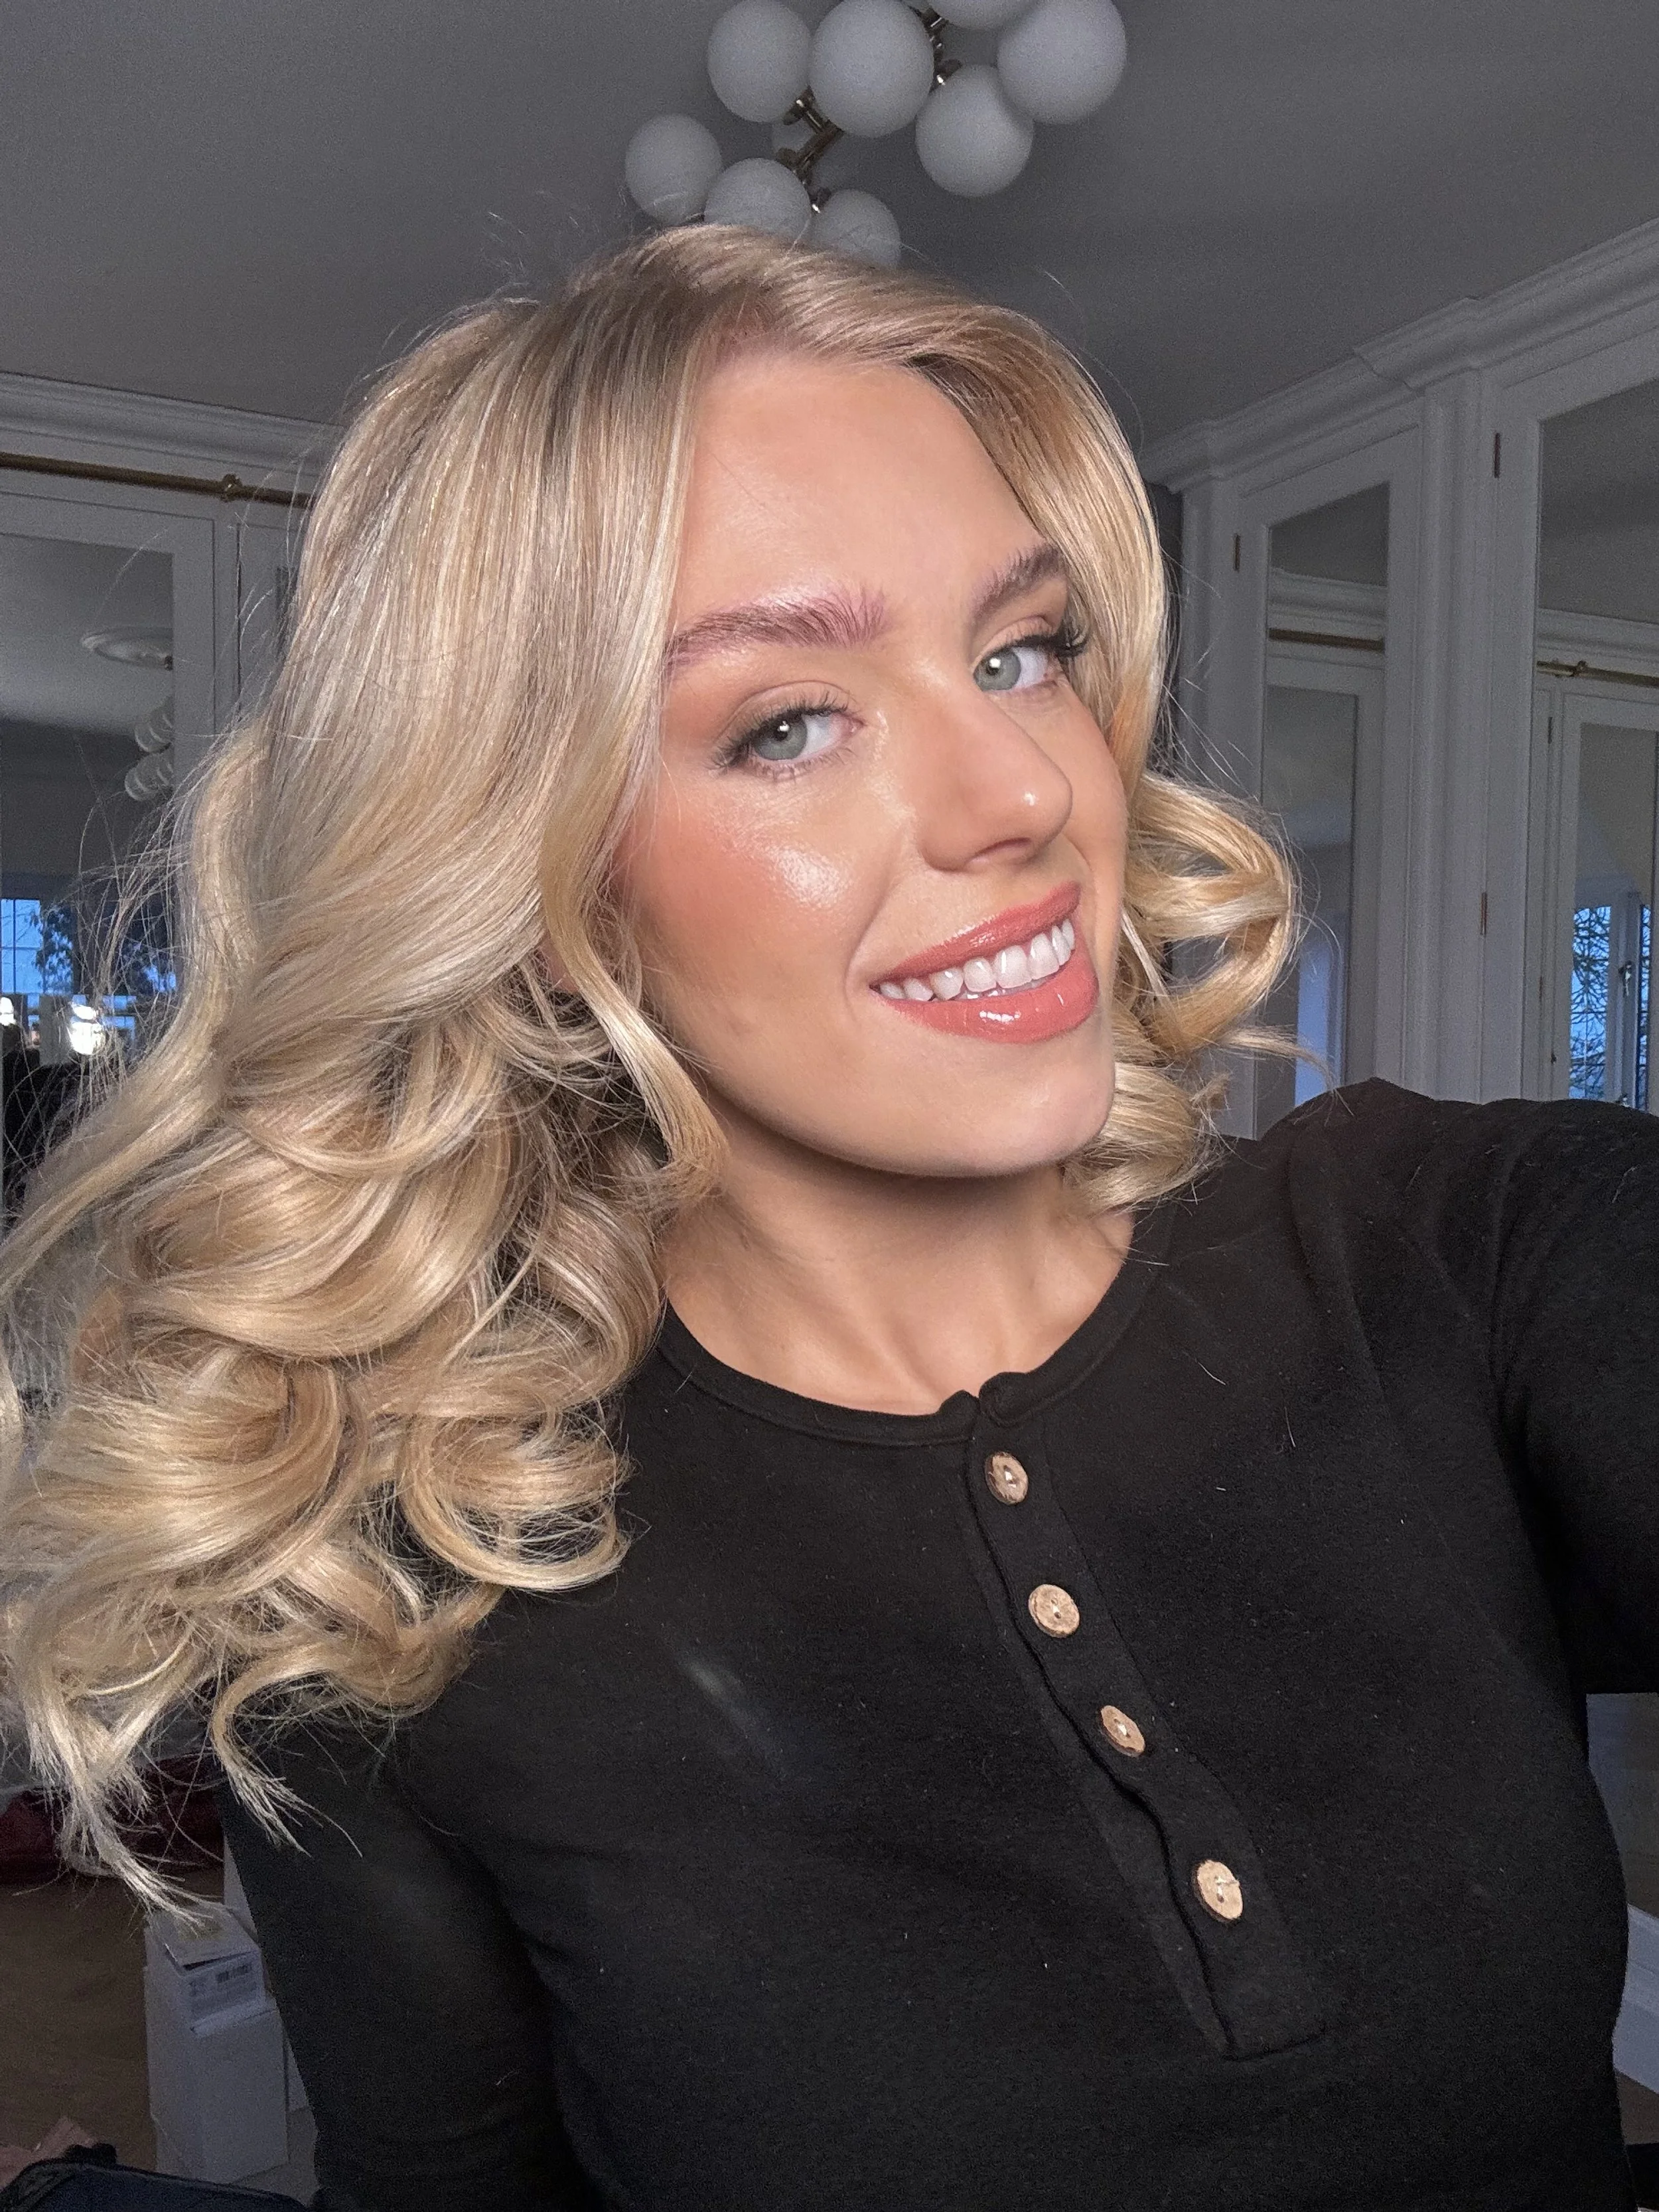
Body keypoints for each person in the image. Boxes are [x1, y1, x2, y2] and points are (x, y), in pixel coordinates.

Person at [0, 226, 1654, 2212]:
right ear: (540, 893)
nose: (1018, 792)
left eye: (1014, 647)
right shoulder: (412, 1597)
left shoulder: (1447, 1249)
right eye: (786, 720)